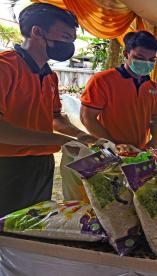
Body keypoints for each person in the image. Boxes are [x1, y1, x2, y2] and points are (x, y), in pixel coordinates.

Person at [0, 3, 97, 217]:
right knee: (7, 233)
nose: (69, 45)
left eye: (72, 39)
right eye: (64, 36)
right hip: (7, 166)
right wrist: (59, 141)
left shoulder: (49, 76)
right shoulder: (6, 68)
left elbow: (54, 118)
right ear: (37, 31)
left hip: (42, 163)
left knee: (34, 226)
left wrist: (81, 135)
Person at [80, 31, 157, 152]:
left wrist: (156, 139)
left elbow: (156, 117)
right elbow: (87, 118)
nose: (146, 63)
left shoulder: (153, 87)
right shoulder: (102, 80)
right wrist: (112, 145)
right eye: (140, 58)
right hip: (108, 152)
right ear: (126, 54)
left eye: (152, 59)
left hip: (138, 152)